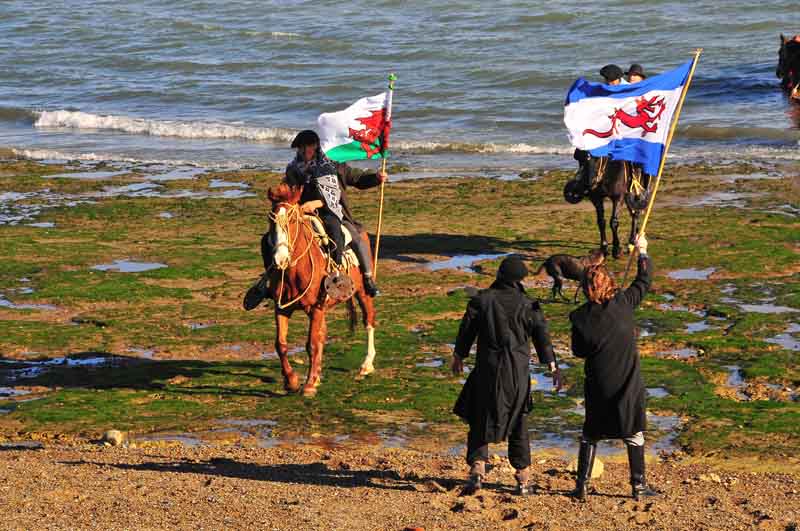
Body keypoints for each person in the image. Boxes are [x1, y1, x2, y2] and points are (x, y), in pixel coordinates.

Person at [451, 255, 561, 496]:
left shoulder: (482, 301)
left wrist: (459, 355)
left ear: (500, 275)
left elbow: (467, 329)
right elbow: (542, 337)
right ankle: (523, 479)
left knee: (480, 417)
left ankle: (477, 469)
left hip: (486, 370)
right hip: (517, 374)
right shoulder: (528, 304)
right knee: (519, 421)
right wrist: (553, 366)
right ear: (519, 279)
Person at [243, 130, 386, 310]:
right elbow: (288, 189)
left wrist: (376, 178)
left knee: (349, 235)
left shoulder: (334, 166)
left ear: (315, 147)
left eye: (306, 148)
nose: (303, 151)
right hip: (300, 213)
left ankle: (360, 277)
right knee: (268, 239)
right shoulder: (294, 169)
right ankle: (269, 279)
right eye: (300, 148)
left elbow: (356, 179)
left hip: (331, 212)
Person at [568, 234, 659, 501]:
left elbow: (578, 351)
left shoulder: (580, 317)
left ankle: (581, 486)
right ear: (608, 283)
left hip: (598, 381)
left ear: (585, 288)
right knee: (633, 432)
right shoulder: (623, 303)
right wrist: (642, 251)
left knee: (591, 433)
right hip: (627, 381)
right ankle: (638, 487)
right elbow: (644, 280)